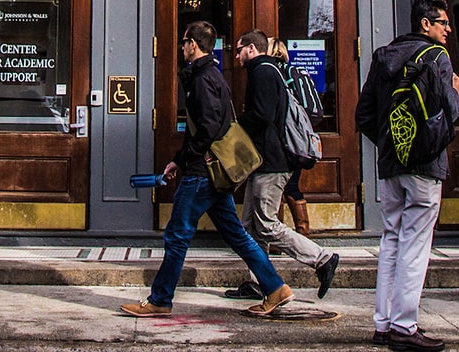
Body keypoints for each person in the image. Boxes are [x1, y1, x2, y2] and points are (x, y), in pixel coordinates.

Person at [121, 21, 293, 318]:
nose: (181, 47)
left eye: (184, 42)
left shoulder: (203, 80)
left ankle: (160, 299)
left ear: (193, 44)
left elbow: (208, 128)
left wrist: (185, 160)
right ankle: (275, 287)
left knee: (177, 235)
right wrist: (180, 159)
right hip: (214, 172)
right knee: (237, 235)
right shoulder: (212, 76)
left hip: (202, 173)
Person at [355, 0, 459, 352]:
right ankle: (405, 325)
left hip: (390, 163)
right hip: (424, 164)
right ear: (425, 24)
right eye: (442, 22)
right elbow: (446, 113)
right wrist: (457, 94)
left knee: (391, 239)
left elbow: (364, 114)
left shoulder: (384, 56)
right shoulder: (437, 57)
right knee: (416, 243)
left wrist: (394, 143)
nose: (448, 29)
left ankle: (383, 324)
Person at [223, 30, 339, 301]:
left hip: (271, 162)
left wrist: (235, 126)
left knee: (265, 223)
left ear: (252, 49)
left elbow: (262, 115)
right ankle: (259, 282)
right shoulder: (269, 70)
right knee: (250, 225)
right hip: (264, 162)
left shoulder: (262, 72)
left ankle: (322, 258)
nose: (236, 56)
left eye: (239, 50)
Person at [270, 39, 312, 235]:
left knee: (279, 187)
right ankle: (302, 231)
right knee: (291, 185)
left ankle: (278, 237)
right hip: (298, 139)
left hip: (282, 138)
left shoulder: (272, 73)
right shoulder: (295, 72)